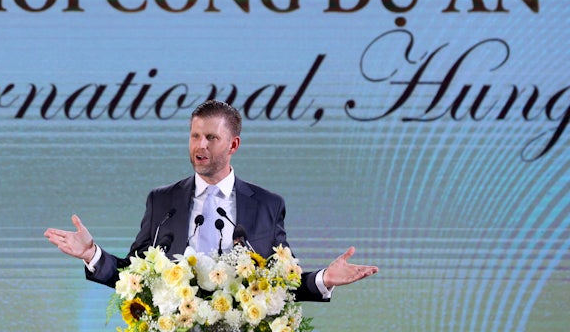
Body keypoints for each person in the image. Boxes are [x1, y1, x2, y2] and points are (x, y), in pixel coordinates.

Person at [45, 99, 378, 302]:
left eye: (211, 138)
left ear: (233, 145)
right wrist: (91, 254)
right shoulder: (162, 201)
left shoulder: (267, 205)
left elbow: (283, 283)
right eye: (194, 136)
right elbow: (133, 275)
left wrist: (324, 278)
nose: (199, 146)